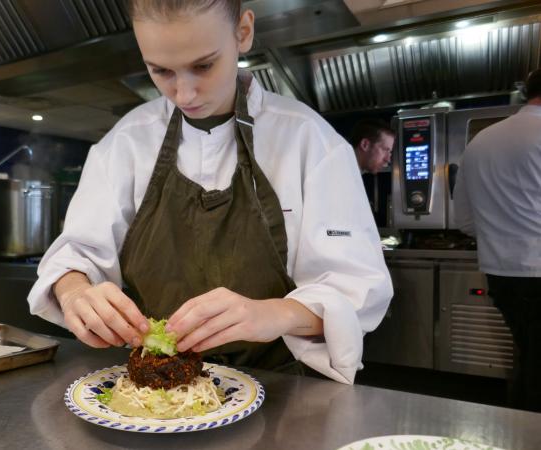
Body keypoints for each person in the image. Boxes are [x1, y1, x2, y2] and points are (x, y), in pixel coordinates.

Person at [27, 0, 392, 384]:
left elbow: (357, 289)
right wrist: (75, 293)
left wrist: (273, 313)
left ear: (244, 32)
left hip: (281, 390)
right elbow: (75, 256)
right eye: (161, 71)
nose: (184, 94)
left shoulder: (310, 141)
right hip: (153, 394)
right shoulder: (126, 143)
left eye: (203, 65)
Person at [454, 68, 541, 411]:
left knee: (528, 357)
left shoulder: (480, 141)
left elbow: (464, 220)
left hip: (502, 276)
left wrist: (502, 236)